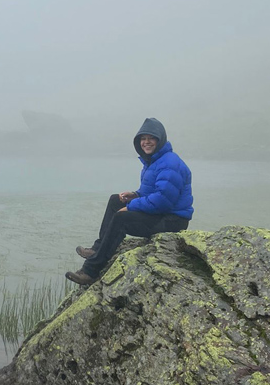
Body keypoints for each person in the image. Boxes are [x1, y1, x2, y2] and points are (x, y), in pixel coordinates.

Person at [65, 118, 193, 286]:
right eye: (143, 138)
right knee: (115, 200)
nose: (146, 142)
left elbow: (163, 201)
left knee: (121, 218)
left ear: (160, 139)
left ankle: (90, 271)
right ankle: (97, 248)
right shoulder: (154, 161)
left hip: (172, 221)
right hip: (161, 214)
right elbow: (152, 192)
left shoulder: (170, 163)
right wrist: (134, 195)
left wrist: (131, 206)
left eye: (151, 138)